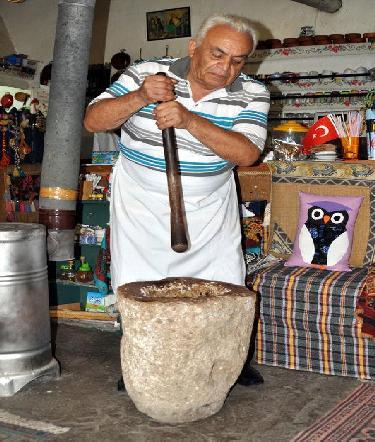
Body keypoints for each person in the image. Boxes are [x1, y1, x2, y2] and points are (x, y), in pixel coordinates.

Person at [84, 13, 270, 386]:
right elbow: (93, 121)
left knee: (224, 278)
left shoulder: (253, 92)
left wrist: (188, 121)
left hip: (210, 201)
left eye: (237, 60)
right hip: (141, 197)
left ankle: (227, 361)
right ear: (193, 47)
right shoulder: (147, 72)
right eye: (217, 54)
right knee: (139, 280)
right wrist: (139, 97)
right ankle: (143, 362)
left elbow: (247, 153)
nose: (226, 67)